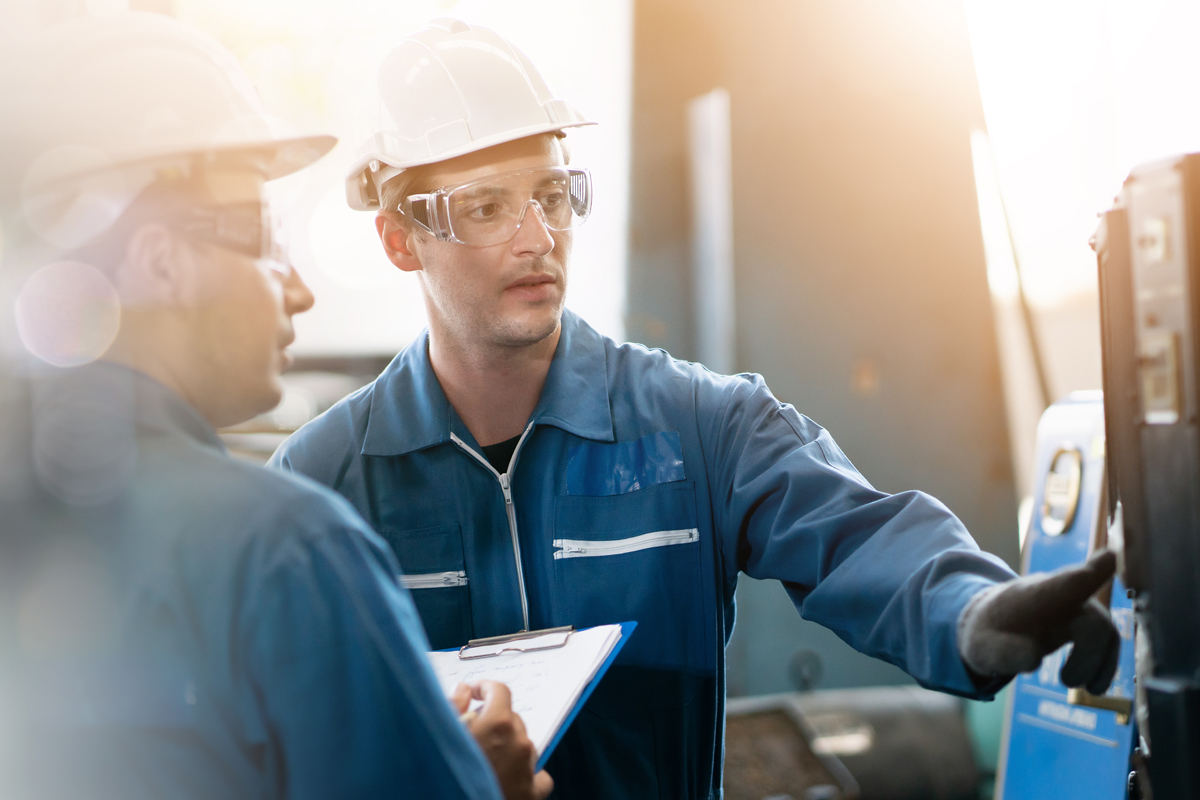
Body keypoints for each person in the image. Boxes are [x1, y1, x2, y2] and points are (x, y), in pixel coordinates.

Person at [270, 19, 1121, 799]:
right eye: (487, 207)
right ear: (399, 238)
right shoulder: (322, 487)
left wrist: (968, 612)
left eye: (554, 194)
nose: (536, 236)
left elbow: (858, 533)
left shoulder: (698, 427)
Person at [2, 13, 549, 800]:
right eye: (263, 236)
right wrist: (477, 786)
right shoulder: (289, 550)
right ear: (160, 261)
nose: (298, 288)